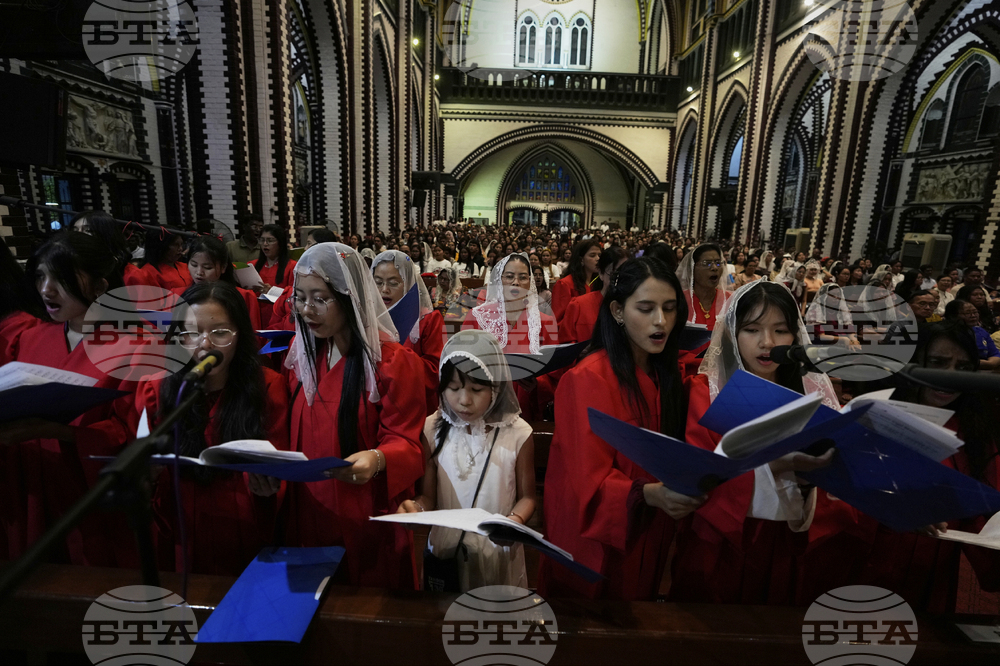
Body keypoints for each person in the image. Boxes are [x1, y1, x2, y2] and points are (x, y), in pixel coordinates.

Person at [672, 280, 838, 605]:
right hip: (722, 541)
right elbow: (701, 474)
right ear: (732, 333)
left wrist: (811, 483)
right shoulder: (706, 391)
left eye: (781, 330)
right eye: (752, 329)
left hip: (790, 540)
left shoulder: (813, 392)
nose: (767, 343)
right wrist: (779, 467)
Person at [539, 257, 691, 600]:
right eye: (646, 308)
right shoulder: (588, 378)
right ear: (618, 311)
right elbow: (588, 481)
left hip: (648, 528)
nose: (661, 321)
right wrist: (650, 494)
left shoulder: (665, 374)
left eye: (669, 308)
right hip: (596, 540)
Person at [282, 243, 425, 588]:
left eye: (319, 298)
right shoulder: (305, 356)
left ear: (350, 296)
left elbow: (406, 440)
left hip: (362, 508)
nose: (306, 310)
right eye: (299, 298)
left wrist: (377, 458)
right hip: (308, 508)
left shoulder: (392, 362)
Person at [1, 232, 141, 566]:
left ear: (100, 286)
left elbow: (133, 435)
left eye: (61, 279)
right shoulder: (29, 338)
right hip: (33, 485)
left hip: (91, 494)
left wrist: (60, 432)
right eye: (40, 276)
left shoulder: (135, 346)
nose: (46, 290)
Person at [132, 282, 290, 574]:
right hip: (180, 530)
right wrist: (147, 476)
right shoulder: (157, 389)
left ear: (240, 334)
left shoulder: (267, 387)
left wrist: (269, 487)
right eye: (191, 333)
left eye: (219, 333)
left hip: (244, 529)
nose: (205, 344)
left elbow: (278, 464)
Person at [854, 322, 1000, 612]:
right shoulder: (873, 418)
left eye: (962, 367)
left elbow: (982, 515)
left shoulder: (974, 435)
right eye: (937, 363)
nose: (948, 378)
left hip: (930, 576)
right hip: (863, 563)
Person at [398, 331, 536, 590]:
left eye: (477, 389)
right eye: (453, 388)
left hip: (497, 549)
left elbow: (528, 496)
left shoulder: (518, 433)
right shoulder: (432, 428)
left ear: (496, 387)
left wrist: (514, 521)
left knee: (493, 620)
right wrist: (415, 507)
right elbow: (428, 496)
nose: (464, 400)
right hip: (446, 549)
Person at [372, 250, 444, 416]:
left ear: (409, 283)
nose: (384, 290)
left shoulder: (427, 319)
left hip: (415, 405)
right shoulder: (368, 319)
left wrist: (394, 364)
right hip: (376, 404)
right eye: (378, 282)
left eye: (393, 283)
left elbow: (434, 371)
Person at [186, 236, 262, 329]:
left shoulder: (245, 297)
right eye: (194, 265)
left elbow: (253, 337)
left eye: (207, 267)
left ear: (223, 267)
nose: (199, 272)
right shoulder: (179, 295)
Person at [559, 246, 629, 344]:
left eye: (626, 274)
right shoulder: (579, 305)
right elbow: (565, 343)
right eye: (614, 274)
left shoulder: (635, 306)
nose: (620, 279)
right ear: (601, 273)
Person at [70, 210, 138, 285]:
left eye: (88, 230)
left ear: (106, 234)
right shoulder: (69, 266)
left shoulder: (129, 273)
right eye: (75, 230)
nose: (78, 235)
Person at [551, 240, 601, 323]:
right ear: (581, 259)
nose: (598, 259)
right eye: (592, 255)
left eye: (599, 255)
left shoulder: (598, 283)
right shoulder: (565, 284)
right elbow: (558, 320)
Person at [945, 300, 1000, 371]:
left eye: (975, 312)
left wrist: (990, 363)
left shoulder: (981, 331)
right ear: (953, 316)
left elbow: (995, 354)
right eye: (967, 313)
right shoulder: (947, 333)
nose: (973, 316)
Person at [255, 224, 296, 292]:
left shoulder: (292, 266)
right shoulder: (252, 265)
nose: (265, 243)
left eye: (270, 240)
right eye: (262, 240)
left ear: (280, 243)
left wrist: (272, 291)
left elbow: (294, 294)